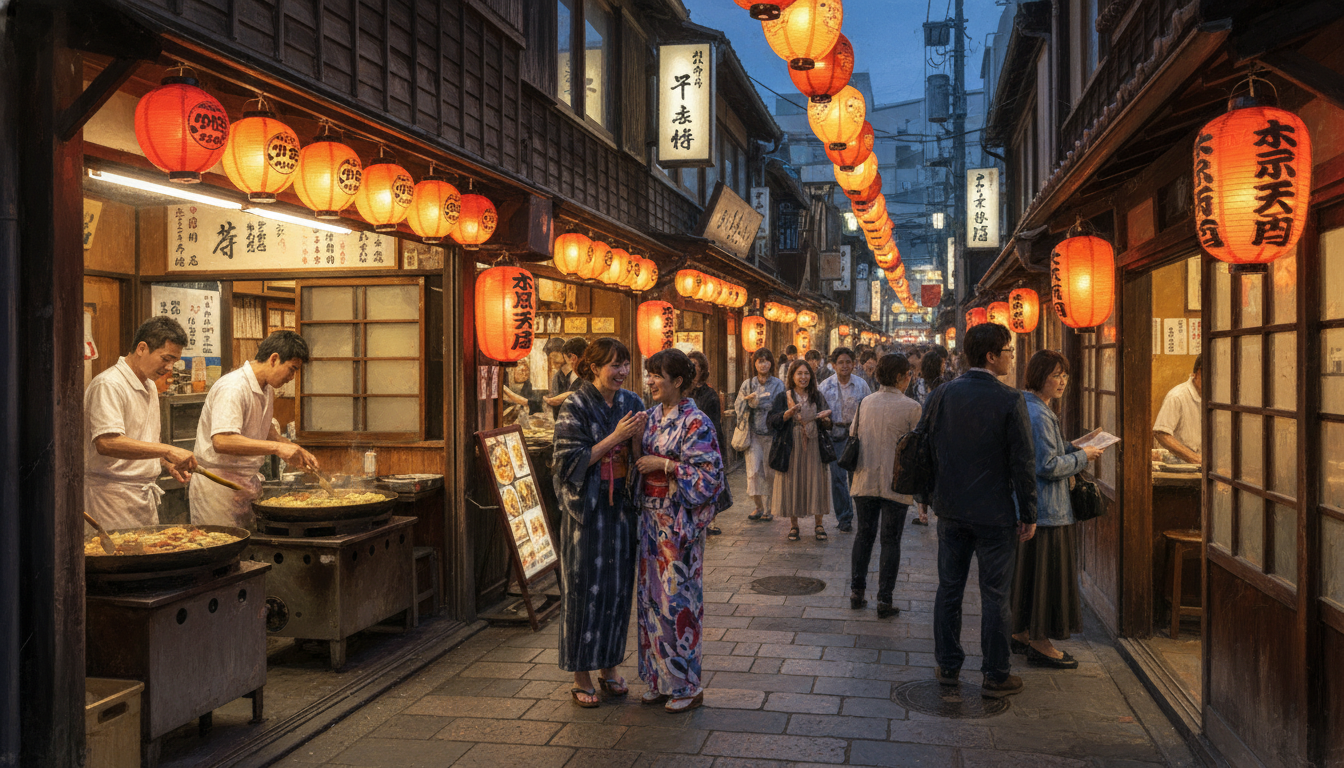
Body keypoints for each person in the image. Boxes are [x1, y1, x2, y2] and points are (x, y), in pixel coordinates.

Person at [919, 322, 1037, 699]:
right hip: (995, 513)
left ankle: (948, 666)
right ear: (991, 356)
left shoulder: (941, 394)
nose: (1011, 358)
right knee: (995, 595)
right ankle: (996, 673)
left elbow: (922, 447)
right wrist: (1029, 512)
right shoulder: (1010, 399)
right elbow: (1023, 461)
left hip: (951, 510)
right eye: (1008, 351)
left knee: (949, 589)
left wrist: (927, 496)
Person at [552, 338, 647, 708]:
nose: (621, 372)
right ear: (593, 368)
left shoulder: (632, 402)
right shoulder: (575, 405)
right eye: (613, 365)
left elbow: (641, 456)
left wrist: (635, 442)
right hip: (586, 513)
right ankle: (581, 675)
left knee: (617, 590)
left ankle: (609, 667)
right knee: (582, 592)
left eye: (625, 364)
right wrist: (616, 437)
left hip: (621, 509)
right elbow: (567, 462)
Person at [634, 349, 724, 713]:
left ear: (679, 381)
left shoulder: (696, 421)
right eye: (650, 375)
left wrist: (665, 465)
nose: (651, 382)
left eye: (658, 376)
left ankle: (686, 685)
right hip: (649, 521)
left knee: (677, 602)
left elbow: (710, 476)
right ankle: (658, 679)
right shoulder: (651, 417)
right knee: (650, 600)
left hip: (677, 524)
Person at [1011, 350, 1109, 669]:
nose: (1062, 381)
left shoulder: (1033, 406)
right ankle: (1041, 643)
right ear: (1039, 376)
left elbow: (1049, 452)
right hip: (1048, 510)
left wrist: (1076, 447)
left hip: (1037, 509)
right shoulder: (1039, 413)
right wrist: (1084, 456)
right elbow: (1047, 465)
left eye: (1065, 374)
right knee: (1046, 580)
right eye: (1055, 375)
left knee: (1031, 578)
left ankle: (1022, 633)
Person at [190, 330, 319, 527]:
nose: (292, 377)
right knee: (223, 543)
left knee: (249, 543)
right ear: (274, 359)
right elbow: (222, 441)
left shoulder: (266, 389)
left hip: (246, 483)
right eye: (292, 369)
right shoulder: (233, 387)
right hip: (218, 487)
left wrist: (293, 448)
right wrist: (278, 448)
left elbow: (267, 431)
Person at [84, 317, 199, 530]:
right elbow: (107, 443)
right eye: (166, 359)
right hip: (110, 499)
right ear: (142, 348)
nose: (169, 368)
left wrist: (166, 463)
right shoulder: (109, 384)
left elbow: (143, 440)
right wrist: (167, 450)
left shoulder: (150, 386)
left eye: (174, 361)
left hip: (143, 497)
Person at [848, 353, 922, 618]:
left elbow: (853, 434)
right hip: (896, 482)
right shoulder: (912, 407)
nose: (910, 378)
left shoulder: (865, 403)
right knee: (890, 540)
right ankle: (884, 600)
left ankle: (856, 592)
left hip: (865, 478)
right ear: (901, 377)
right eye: (908, 374)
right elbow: (918, 446)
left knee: (864, 535)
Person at [768, 359, 834, 541]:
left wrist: (826, 420)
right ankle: (794, 525)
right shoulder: (783, 396)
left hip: (814, 444)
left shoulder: (817, 396)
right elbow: (771, 421)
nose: (803, 377)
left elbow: (828, 421)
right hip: (792, 444)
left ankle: (819, 524)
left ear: (811, 376)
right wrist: (787, 414)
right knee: (793, 482)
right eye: (799, 373)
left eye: (806, 373)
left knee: (816, 481)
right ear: (792, 376)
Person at [818, 347, 870, 533]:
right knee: (838, 478)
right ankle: (844, 517)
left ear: (854, 363)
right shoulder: (825, 386)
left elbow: (869, 409)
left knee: (857, 477)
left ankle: (862, 515)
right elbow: (818, 411)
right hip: (835, 435)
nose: (845, 366)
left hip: (857, 435)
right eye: (840, 362)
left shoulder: (861, 385)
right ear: (833, 365)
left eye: (848, 362)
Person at [735, 349, 785, 521]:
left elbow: (782, 407)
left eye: (766, 360)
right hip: (754, 434)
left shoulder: (778, 384)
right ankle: (758, 506)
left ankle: (769, 508)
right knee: (754, 471)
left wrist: (767, 405)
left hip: (772, 434)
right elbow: (738, 406)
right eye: (760, 361)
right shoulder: (748, 384)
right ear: (754, 363)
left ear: (771, 363)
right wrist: (747, 402)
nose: (763, 364)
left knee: (770, 473)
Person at [687, 351, 731, 535]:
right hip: (688, 446)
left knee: (709, 481)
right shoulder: (683, 391)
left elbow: (714, 424)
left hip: (705, 443)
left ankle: (711, 521)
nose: (692, 368)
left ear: (702, 369)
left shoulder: (709, 394)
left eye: (695, 365)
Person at [1153, 353, 1202, 464]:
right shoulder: (1177, 396)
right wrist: (1194, 458)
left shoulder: (1217, 396)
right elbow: (1161, 433)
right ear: (1197, 374)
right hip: (1179, 464)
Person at [545, 337, 588, 418]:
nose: (553, 361)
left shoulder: (590, 376)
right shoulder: (562, 376)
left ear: (573, 358)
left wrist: (568, 395)